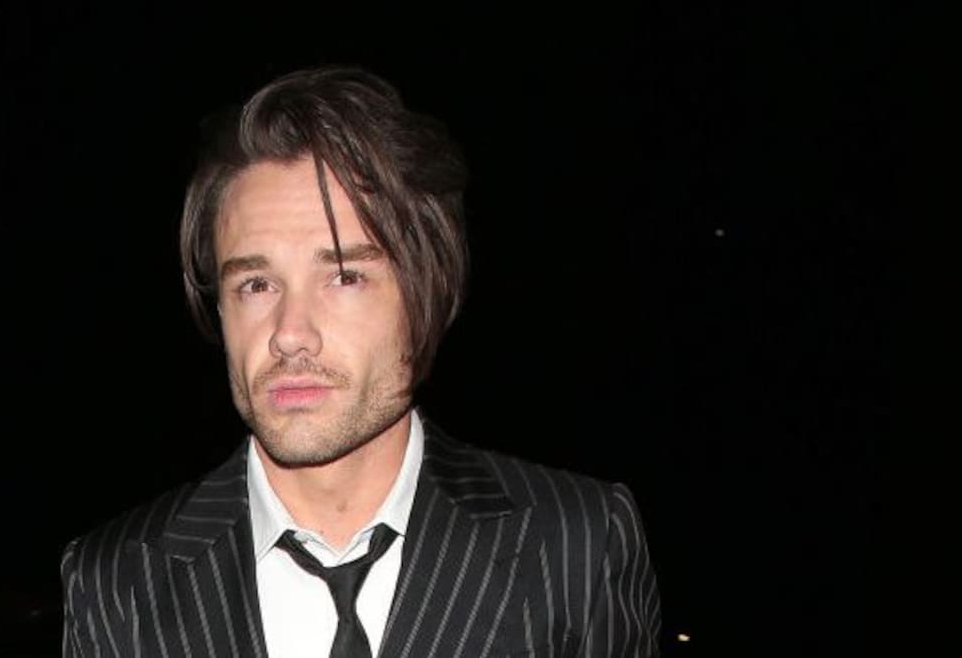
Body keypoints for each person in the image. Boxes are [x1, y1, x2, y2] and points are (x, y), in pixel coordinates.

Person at [60, 66, 660, 658]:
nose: (290, 334)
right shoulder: (116, 586)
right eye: (256, 285)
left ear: (426, 293)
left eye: (344, 277)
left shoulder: (578, 545)